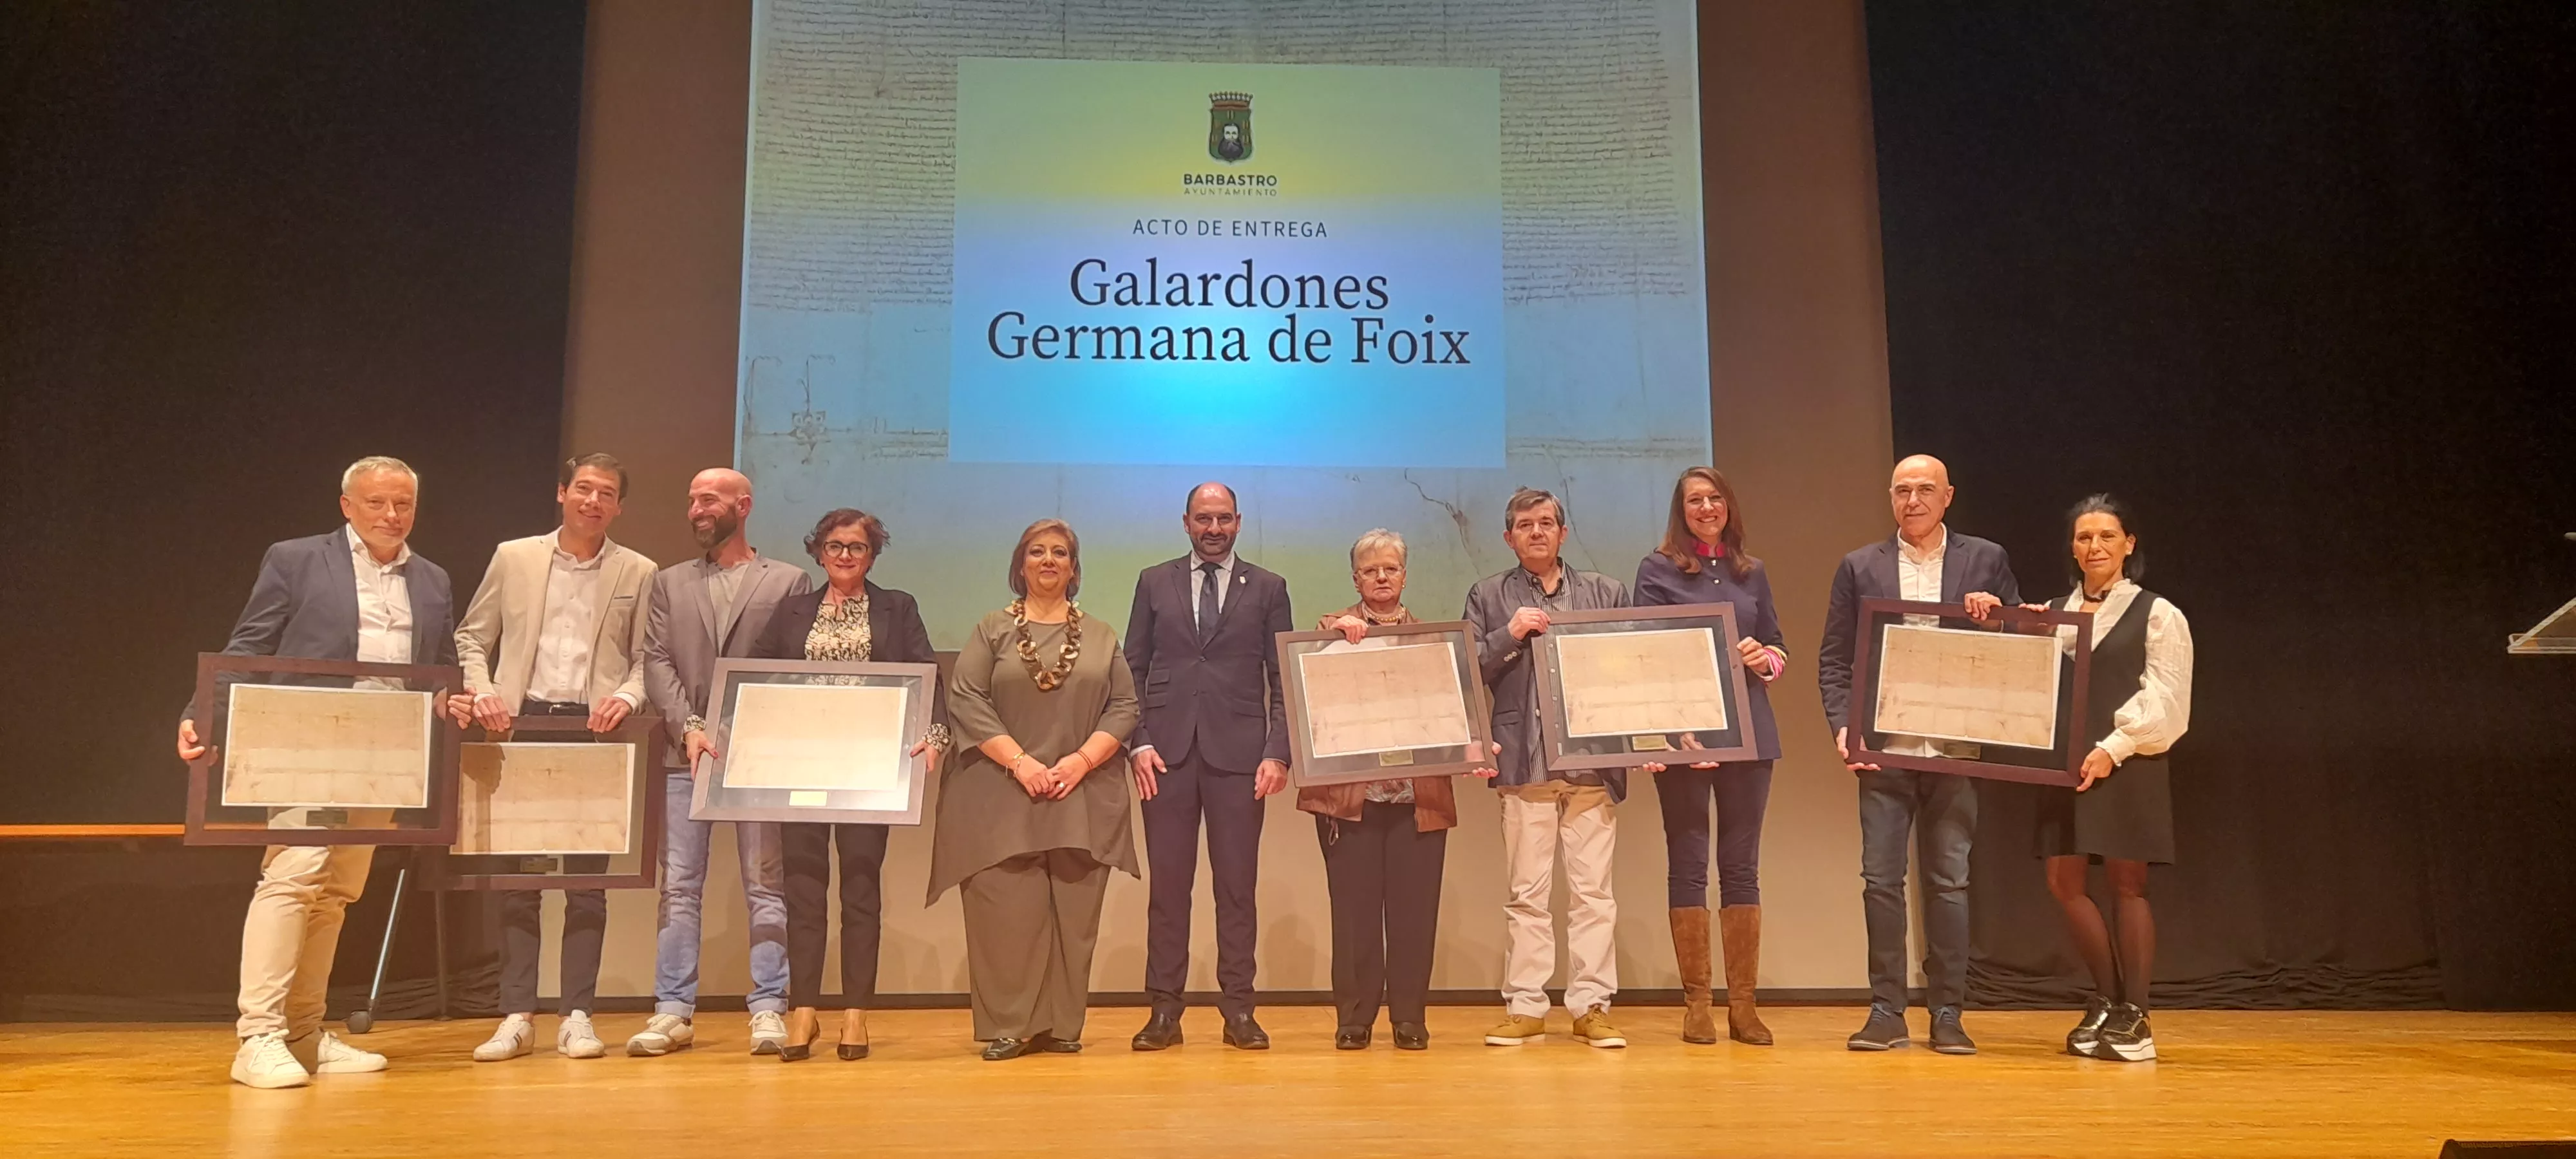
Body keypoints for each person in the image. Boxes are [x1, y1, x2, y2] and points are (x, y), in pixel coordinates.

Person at [176, 456, 456, 1088]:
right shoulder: (297, 559)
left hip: (390, 750)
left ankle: (303, 1034)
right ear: (347, 506)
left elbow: (439, 666)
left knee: (339, 890)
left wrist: (453, 700)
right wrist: (202, 714)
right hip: (308, 736)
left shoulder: (433, 579)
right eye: (377, 502)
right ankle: (258, 1036)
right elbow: (250, 644)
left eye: (404, 504)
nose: (392, 515)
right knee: (295, 874)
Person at [447, 453, 656, 1064]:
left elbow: (648, 656)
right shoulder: (515, 556)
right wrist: (483, 689)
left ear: (619, 507)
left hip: (595, 734)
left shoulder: (639, 569)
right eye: (584, 488)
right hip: (520, 726)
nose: (594, 501)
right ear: (562, 493)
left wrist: (627, 696)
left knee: (588, 884)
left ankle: (577, 1016)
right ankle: (517, 1015)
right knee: (520, 883)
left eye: (607, 493)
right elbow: (472, 636)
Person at [1817, 453, 2022, 1055]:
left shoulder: (1986, 559)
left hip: (1956, 748)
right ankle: (1886, 1010)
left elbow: (2023, 646)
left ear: (1948, 496)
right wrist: (1844, 728)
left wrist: (1997, 622)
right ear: (1890, 497)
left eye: (1925, 489)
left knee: (1949, 883)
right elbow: (1835, 660)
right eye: (1902, 490)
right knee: (1881, 881)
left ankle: (1948, 1013)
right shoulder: (1860, 566)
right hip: (1885, 749)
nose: (1913, 500)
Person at [930, 519, 1140, 1060]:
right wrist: (1021, 763)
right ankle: (1010, 1025)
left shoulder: (1101, 635)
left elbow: (1125, 706)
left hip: (1080, 792)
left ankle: (1061, 1025)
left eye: (1060, 553)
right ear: (1020, 565)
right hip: (999, 792)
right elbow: (966, 697)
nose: (1049, 561)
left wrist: (1080, 761)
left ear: (1074, 568)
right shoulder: (991, 629)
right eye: (1037, 552)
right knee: (1006, 913)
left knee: (1074, 912)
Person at [748, 508, 949, 1062]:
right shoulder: (792, 611)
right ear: (819, 552)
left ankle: (856, 1012)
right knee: (803, 890)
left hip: (869, 769)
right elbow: (752, 675)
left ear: (872, 555)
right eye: (835, 546)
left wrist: (935, 736)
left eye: (857, 547)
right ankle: (804, 1010)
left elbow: (928, 676)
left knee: (860, 888)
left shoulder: (897, 607)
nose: (845, 555)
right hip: (800, 768)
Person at [627, 467, 812, 1057]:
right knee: (680, 886)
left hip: (759, 758)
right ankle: (673, 1011)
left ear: (744, 505)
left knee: (766, 885)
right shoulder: (669, 581)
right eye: (691, 501)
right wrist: (691, 727)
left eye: (709, 499)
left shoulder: (788, 580)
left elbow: (792, 668)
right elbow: (657, 660)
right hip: (685, 756)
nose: (697, 510)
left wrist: (743, 730)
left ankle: (768, 1007)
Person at [1298, 530, 1493, 1051]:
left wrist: (1473, 748)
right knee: (1354, 915)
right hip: (1352, 802)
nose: (1381, 578)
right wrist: (1331, 635)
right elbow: (1304, 681)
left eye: (1390, 569)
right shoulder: (1332, 631)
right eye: (1370, 570)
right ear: (1355, 579)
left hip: (1417, 799)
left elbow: (1457, 711)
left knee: (1414, 914)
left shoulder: (1436, 642)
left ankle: (1409, 1018)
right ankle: (1355, 1018)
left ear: (1405, 577)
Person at [1122, 483, 1294, 1051]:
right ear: (1186, 522)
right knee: (1169, 890)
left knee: (1237, 889)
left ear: (1238, 522)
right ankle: (1163, 1013)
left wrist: (1277, 751)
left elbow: (1282, 678)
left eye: (1223, 519)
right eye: (1203, 518)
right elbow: (1132, 668)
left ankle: (1239, 1011)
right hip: (1164, 757)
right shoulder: (1154, 581)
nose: (1213, 528)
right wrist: (1138, 742)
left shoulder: (1268, 587)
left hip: (1241, 758)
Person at [1464, 487, 1634, 1049]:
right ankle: (1526, 1006)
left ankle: (1592, 1006)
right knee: (1527, 895)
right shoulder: (1489, 595)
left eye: (1545, 523)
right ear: (1508, 537)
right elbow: (1468, 670)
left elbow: (1632, 672)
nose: (1536, 532)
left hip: (1592, 767)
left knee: (1594, 896)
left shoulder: (1605, 592)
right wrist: (1509, 634)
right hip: (1524, 763)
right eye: (1524, 525)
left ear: (1563, 533)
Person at [2030, 495, 2192, 1063]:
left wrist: (2113, 748)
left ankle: (2137, 1015)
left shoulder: (2158, 613)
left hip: (2128, 759)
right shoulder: (2053, 614)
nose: (2094, 546)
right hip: (2066, 763)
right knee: (2063, 882)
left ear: (2129, 544)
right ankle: (2108, 998)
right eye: (2083, 537)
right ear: (2072, 549)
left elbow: (2168, 700)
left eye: (2106, 536)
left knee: (2128, 885)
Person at [1632, 467, 1790, 1045]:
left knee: (1742, 867)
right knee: (1689, 863)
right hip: (1686, 737)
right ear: (1682, 511)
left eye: (1714, 498)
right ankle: (1697, 1004)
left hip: (1750, 734)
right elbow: (1645, 654)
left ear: (1728, 506)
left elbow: (1778, 648)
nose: (1706, 508)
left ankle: (1743, 1007)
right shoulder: (1658, 569)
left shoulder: (1752, 571)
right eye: (1694, 500)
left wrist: (1763, 659)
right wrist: (1671, 730)